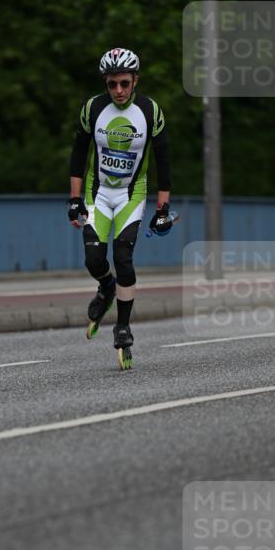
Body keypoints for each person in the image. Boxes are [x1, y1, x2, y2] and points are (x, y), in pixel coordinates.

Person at [68, 47, 171, 369]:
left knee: (123, 257)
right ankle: (106, 287)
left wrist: (163, 208)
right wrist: (74, 201)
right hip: (96, 193)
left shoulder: (150, 111)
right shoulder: (93, 109)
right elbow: (78, 155)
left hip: (130, 194)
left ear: (135, 80)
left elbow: (164, 162)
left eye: (125, 83)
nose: (119, 91)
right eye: (112, 84)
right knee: (93, 259)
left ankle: (123, 326)